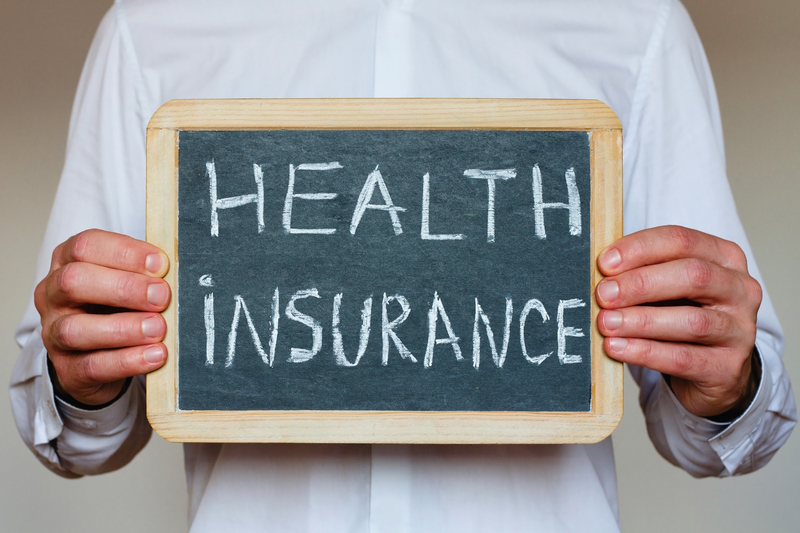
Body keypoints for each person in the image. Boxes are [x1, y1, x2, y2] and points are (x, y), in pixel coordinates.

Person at [10, 0, 796, 531]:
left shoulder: (632, 22)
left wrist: (729, 382)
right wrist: (83, 373)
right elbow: (77, 437)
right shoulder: (156, 26)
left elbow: (717, 430)